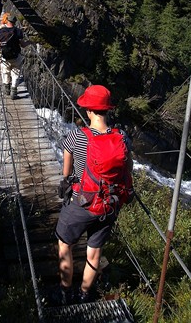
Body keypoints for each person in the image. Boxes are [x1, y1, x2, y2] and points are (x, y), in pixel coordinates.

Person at [54, 85, 133, 305]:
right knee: (94, 253)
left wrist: (66, 179)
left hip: (83, 203)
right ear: (108, 110)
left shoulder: (77, 136)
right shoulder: (123, 138)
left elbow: (67, 169)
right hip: (109, 204)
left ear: (89, 110)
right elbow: (129, 168)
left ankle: (65, 293)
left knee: (64, 245)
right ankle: (84, 294)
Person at [0, 15, 31, 100]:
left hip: (4, 57)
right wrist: (30, 42)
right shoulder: (18, 31)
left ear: (7, 21)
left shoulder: (0, 31)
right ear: (15, 22)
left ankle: (7, 90)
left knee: (5, 72)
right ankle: (14, 92)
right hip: (16, 57)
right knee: (15, 73)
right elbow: (23, 45)